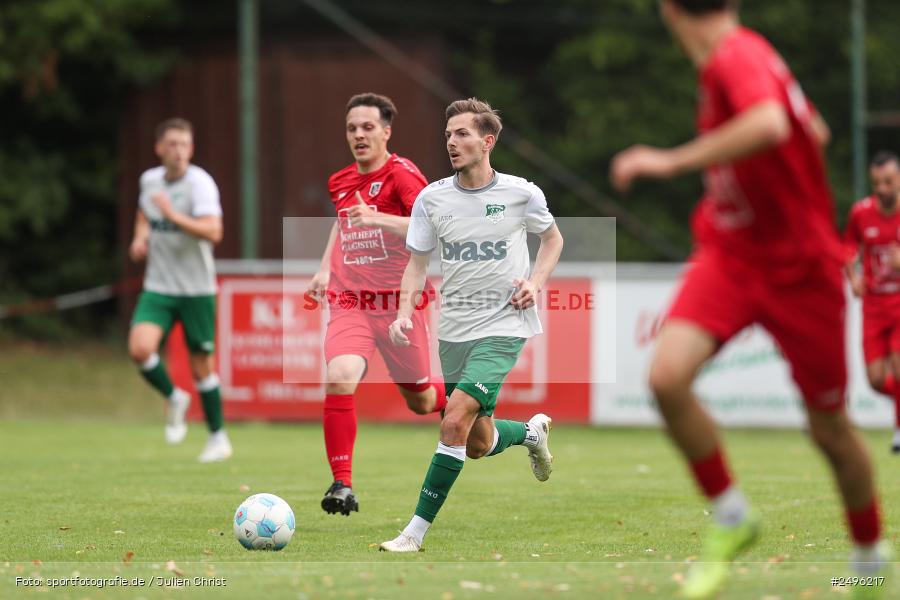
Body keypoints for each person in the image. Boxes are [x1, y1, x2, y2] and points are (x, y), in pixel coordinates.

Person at [610, 1, 891, 598]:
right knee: (666, 377)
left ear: (668, 12)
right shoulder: (744, 56)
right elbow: (813, 128)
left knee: (829, 430)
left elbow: (770, 123)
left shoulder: (738, 56)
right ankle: (735, 518)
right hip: (733, 253)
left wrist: (670, 160)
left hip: (801, 269)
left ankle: (869, 561)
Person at [379, 97, 564, 552]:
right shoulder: (431, 199)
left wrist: (536, 283)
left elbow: (553, 239)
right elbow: (417, 264)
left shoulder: (522, 193)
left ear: (488, 140)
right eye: (448, 136)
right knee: (477, 442)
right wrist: (404, 312)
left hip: (504, 325)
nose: (452, 143)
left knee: (454, 420)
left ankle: (413, 534)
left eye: (462, 134)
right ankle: (530, 433)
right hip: (454, 332)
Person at [308, 93, 447, 516]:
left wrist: (378, 218)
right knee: (340, 375)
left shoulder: (403, 176)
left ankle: (459, 397)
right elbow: (344, 223)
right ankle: (341, 484)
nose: (359, 135)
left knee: (421, 401)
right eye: (352, 128)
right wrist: (324, 269)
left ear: (386, 132)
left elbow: (433, 225)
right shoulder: (340, 180)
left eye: (367, 127)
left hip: (399, 304)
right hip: (350, 299)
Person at [128, 117, 232, 463]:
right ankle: (174, 397)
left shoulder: (200, 184)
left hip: (196, 288)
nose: (179, 151)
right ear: (159, 148)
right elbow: (145, 211)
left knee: (202, 365)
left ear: (192, 149)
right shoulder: (150, 180)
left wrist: (174, 216)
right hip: (158, 285)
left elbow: (213, 232)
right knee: (140, 349)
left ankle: (218, 437)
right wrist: (140, 238)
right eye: (172, 144)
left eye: (185, 145)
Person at [845, 151, 900, 454]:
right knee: (876, 380)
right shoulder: (861, 213)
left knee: (899, 365)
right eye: (877, 182)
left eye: (888, 181)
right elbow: (848, 246)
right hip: (873, 307)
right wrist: (853, 278)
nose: (882, 188)